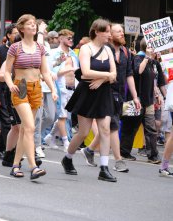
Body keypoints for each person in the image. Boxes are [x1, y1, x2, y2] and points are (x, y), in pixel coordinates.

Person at [62, 18, 117, 182]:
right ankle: (68, 158)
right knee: (83, 133)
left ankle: (104, 168)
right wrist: (107, 75)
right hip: (87, 92)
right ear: (97, 32)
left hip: (103, 93)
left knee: (105, 130)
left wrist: (103, 79)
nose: (109, 34)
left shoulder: (108, 50)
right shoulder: (86, 48)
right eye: (106, 31)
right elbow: (85, 72)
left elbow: (114, 75)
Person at [81, 23, 141, 173]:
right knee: (113, 126)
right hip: (105, 92)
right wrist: (104, 79)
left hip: (119, 94)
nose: (122, 34)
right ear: (110, 35)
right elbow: (95, 70)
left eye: (122, 31)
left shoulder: (126, 52)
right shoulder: (103, 50)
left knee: (107, 127)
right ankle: (118, 160)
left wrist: (135, 97)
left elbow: (129, 75)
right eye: (118, 31)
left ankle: (89, 150)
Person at [4, 14, 57, 180]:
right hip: (20, 87)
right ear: (22, 29)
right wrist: (10, 84)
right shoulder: (15, 48)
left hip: (36, 88)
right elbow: (6, 71)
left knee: (25, 130)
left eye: (34, 24)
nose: (33, 27)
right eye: (29, 25)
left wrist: (53, 89)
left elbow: (45, 72)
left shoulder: (40, 48)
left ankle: (15, 165)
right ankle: (33, 166)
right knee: (30, 127)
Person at [120, 38, 165, 164]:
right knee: (131, 127)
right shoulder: (137, 59)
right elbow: (138, 71)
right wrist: (147, 57)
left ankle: (153, 155)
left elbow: (158, 81)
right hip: (135, 100)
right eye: (152, 47)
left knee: (151, 128)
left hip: (149, 101)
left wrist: (161, 95)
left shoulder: (155, 63)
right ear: (146, 48)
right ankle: (124, 152)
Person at [46, 29, 79, 152]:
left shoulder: (73, 54)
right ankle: (66, 142)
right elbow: (53, 73)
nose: (71, 40)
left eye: (72, 38)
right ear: (60, 38)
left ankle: (50, 137)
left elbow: (77, 71)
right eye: (68, 38)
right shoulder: (56, 53)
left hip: (72, 88)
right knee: (62, 116)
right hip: (61, 88)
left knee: (65, 116)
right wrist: (67, 69)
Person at [0, 24, 19, 159]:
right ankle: (9, 151)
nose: (17, 36)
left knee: (12, 123)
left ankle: (1, 149)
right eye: (15, 33)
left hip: (17, 88)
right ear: (8, 35)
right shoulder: (0, 50)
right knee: (6, 121)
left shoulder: (21, 51)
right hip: (2, 88)